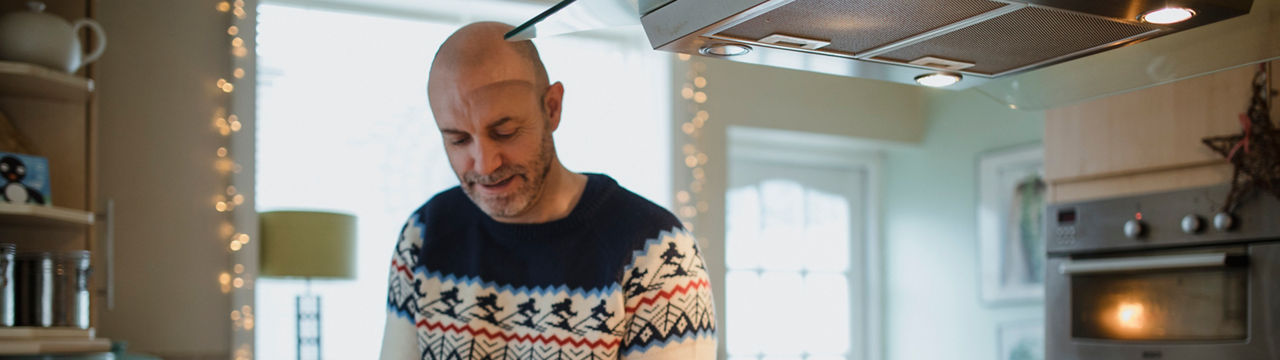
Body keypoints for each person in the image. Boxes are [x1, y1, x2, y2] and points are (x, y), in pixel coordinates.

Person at [378, 22, 716, 360]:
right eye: (458, 140)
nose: (484, 165)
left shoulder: (658, 253)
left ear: (552, 108)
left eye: (505, 132)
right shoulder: (423, 236)